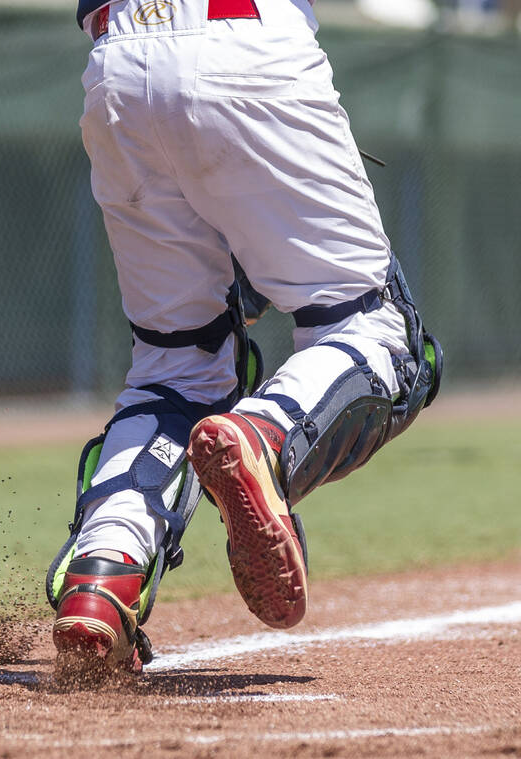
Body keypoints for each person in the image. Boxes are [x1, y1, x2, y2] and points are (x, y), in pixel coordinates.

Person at [44, 0, 442, 674]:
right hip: (245, 40)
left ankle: (103, 572)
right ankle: (267, 434)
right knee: (384, 335)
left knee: (175, 368)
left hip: (116, 64)